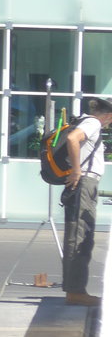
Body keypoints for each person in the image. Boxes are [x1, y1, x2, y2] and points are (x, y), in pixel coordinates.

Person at [58, 96, 112, 307]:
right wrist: (77, 171)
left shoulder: (87, 121)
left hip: (85, 182)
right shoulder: (93, 122)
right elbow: (73, 139)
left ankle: (75, 290)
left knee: (81, 235)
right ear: (108, 115)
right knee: (80, 237)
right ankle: (75, 292)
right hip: (84, 182)